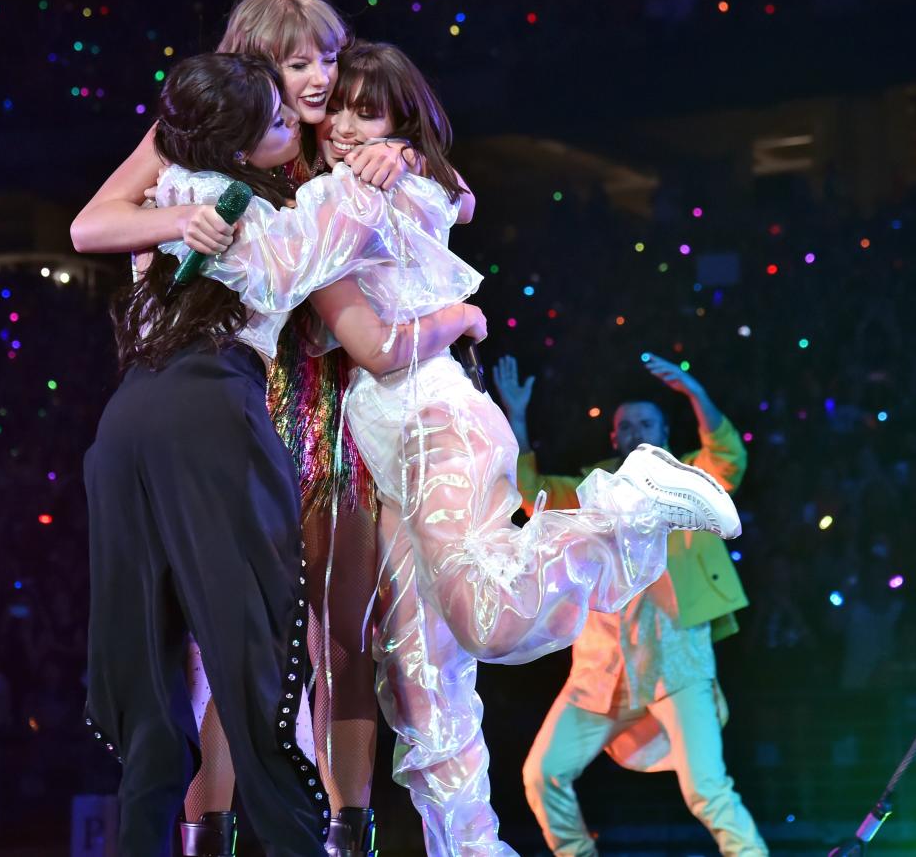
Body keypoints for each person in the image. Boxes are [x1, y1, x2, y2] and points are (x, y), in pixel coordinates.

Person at [154, 42, 742, 856]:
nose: (351, 127)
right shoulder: (362, 189)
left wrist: (453, 315)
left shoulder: (350, 198)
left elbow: (385, 344)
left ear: (400, 120)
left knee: (490, 625)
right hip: (390, 453)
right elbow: (453, 199)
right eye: (343, 110)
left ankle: (632, 498)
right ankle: (470, 846)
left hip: (434, 420)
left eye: (373, 111)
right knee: (423, 680)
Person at [83, 51, 483, 857]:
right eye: (277, 117)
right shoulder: (288, 219)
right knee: (256, 656)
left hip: (124, 423)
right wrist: (401, 159)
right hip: (210, 414)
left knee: (151, 668)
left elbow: (92, 224)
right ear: (238, 141)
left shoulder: (173, 188)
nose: (297, 122)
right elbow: (443, 212)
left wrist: (397, 151)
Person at [493, 352, 768, 856]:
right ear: (614, 437)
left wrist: (694, 392)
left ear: (664, 431)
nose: (636, 430)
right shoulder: (593, 488)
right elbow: (532, 497)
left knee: (707, 790)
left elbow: (729, 461)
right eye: (627, 425)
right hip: (602, 670)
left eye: (647, 421)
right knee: (542, 774)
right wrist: (516, 413)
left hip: (676, 663)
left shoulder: (689, 484)